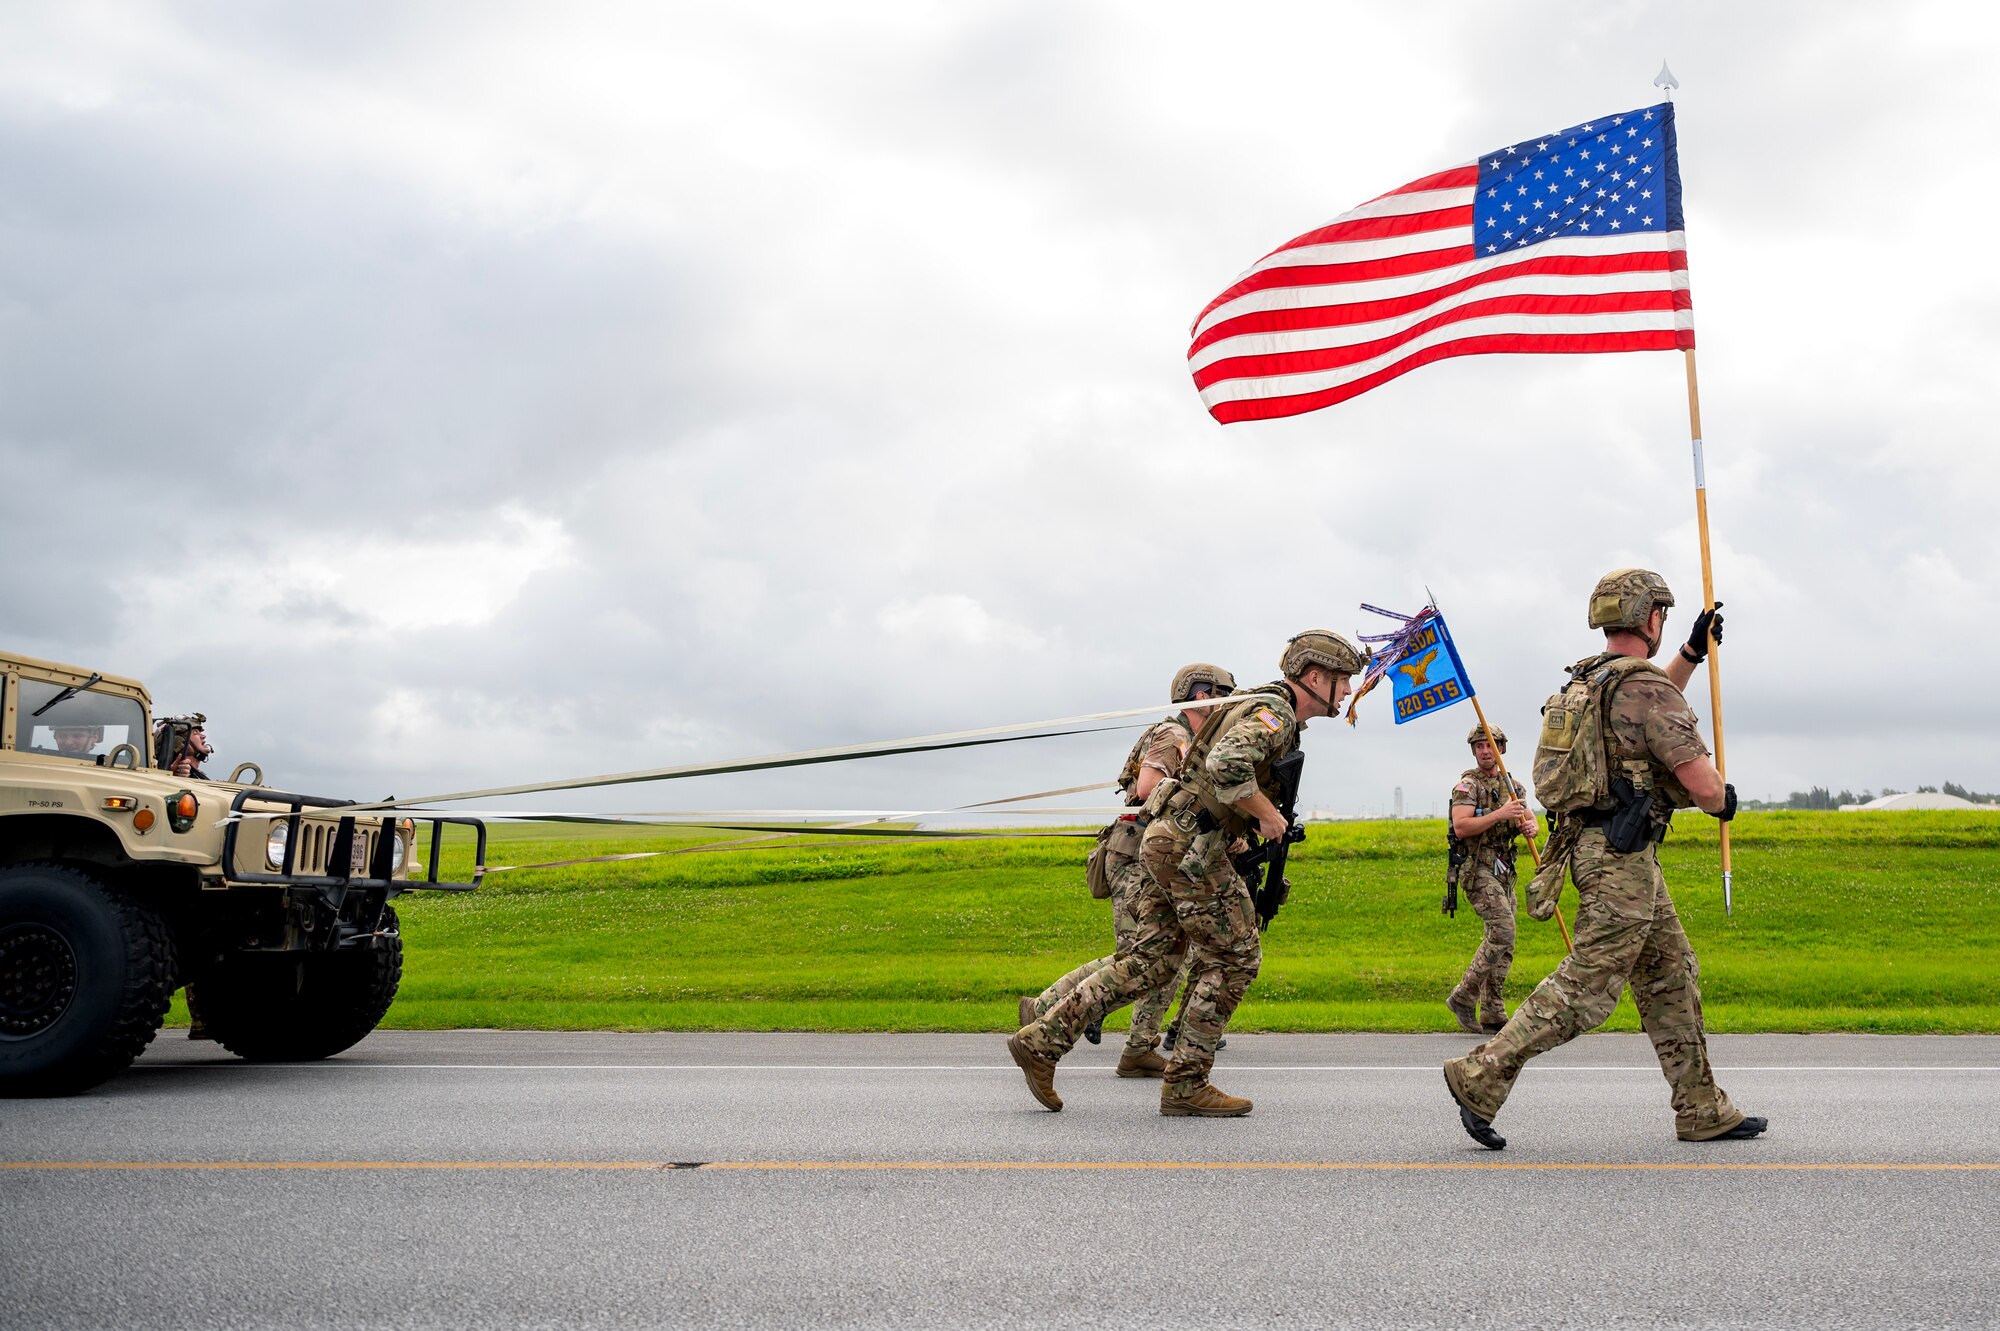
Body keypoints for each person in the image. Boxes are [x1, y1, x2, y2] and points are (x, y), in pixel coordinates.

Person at [1443, 569, 1763, 1149]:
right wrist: (1724, 799)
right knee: (1589, 984)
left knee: (1672, 974)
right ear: (1651, 618)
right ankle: (1480, 1074)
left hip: (1603, 848)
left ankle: (1700, 1108)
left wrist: (1691, 653)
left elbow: (1644, 708)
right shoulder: (1641, 689)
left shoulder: (1591, 682)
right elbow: (1705, 787)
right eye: (1663, 617)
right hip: (1621, 858)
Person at [1008, 630, 1364, 1117]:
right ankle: (1186, 1083)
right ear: (1315, 676)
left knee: (1150, 962)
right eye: (1343, 681)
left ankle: (1042, 1041)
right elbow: (1226, 765)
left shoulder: (1265, 708)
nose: (1347, 692)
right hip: (1189, 848)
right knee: (1236, 958)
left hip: (1170, 840)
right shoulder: (1274, 713)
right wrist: (1267, 815)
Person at [1019, 664, 1235, 1077]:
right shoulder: (1175, 735)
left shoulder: (1192, 739)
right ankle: (1056, 1014)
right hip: (1135, 851)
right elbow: (1148, 787)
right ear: (1204, 697)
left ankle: (1125, 1041)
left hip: (1149, 852)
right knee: (1146, 957)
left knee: (1156, 954)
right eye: (1227, 694)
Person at [1444, 724, 1538, 1035]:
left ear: (1501, 748)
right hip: (1477, 868)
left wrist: (1530, 828)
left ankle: (1493, 1009)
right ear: (1474, 751)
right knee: (1503, 929)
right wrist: (1500, 814)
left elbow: (1530, 818)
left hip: (1504, 870)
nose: (1486, 750)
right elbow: (1462, 827)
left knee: (1506, 941)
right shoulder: (1467, 786)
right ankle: (1463, 996)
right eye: (1481, 745)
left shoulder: (1512, 786)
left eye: (1492, 744)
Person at [153, 714, 213, 780]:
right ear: (179, 742)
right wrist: (172, 777)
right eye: (195, 732)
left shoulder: (200, 777)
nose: (203, 736)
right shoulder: (158, 777)